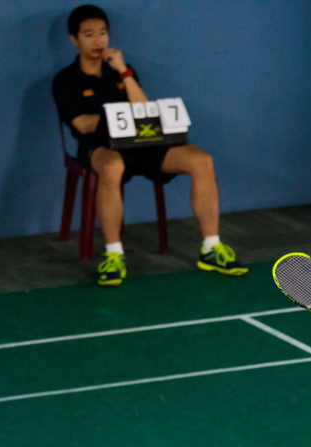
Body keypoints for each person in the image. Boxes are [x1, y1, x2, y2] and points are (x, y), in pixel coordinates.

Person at [52, 4, 247, 287]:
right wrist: (117, 120)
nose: (98, 41)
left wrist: (123, 72)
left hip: (142, 142)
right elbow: (81, 123)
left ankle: (211, 248)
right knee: (112, 165)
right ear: (74, 40)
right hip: (100, 147)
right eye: (89, 35)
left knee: (201, 160)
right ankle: (114, 255)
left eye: (103, 33)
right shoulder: (65, 79)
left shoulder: (122, 71)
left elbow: (143, 110)